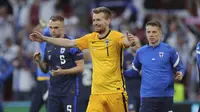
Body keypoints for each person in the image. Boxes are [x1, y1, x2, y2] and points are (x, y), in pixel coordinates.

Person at [29, 7, 137, 112]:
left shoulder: (116, 36)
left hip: (115, 93)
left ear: (108, 20)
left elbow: (125, 42)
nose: (95, 22)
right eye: (94, 20)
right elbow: (69, 43)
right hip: (96, 94)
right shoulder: (90, 38)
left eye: (98, 20)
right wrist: (44, 38)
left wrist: (130, 42)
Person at [124, 20, 185, 112]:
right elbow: (133, 72)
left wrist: (180, 73)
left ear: (160, 33)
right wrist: (119, 72)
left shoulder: (169, 50)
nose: (151, 35)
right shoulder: (140, 52)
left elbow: (180, 67)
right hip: (147, 97)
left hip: (165, 97)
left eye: (154, 32)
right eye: (148, 32)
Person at [33, 15, 84, 112]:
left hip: (69, 92)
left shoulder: (72, 44)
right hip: (53, 93)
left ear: (63, 28)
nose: (53, 30)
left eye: (56, 27)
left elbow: (81, 68)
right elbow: (45, 70)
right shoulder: (49, 45)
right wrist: (39, 61)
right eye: (51, 27)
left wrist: (63, 72)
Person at [30, 26, 50, 112]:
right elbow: (35, 31)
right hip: (40, 81)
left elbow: (39, 30)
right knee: (33, 109)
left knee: (50, 108)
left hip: (48, 82)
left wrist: (43, 26)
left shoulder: (48, 41)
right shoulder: (41, 42)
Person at [124, 37, 141, 112]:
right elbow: (121, 72)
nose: (136, 45)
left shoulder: (145, 56)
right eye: (134, 43)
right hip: (130, 89)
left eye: (137, 43)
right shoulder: (125, 57)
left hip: (143, 89)